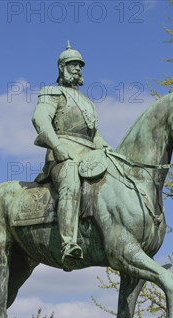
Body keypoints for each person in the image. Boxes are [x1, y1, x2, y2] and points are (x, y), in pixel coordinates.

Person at [32, 42, 111, 269]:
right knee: (70, 181)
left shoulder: (88, 103)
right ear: (61, 67)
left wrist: (108, 149)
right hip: (63, 154)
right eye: (72, 64)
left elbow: (95, 136)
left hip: (89, 153)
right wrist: (57, 147)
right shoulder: (51, 92)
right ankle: (68, 244)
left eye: (79, 65)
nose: (77, 69)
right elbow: (40, 120)